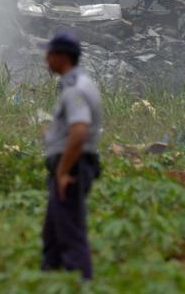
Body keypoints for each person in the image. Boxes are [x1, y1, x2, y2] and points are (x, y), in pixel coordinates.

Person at [41, 30, 103, 281]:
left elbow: (79, 132)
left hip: (74, 167)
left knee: (69, 230)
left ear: (62, 57)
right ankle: (50, 280)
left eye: (50, 55)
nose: (46, 60)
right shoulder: (77, 84)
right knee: (53, 232)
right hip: (71, 164)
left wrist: (64, 171)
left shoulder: (75, 90)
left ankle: (80, 282)